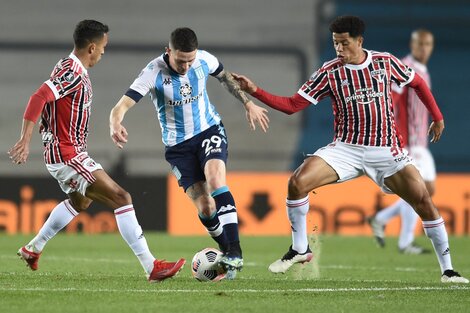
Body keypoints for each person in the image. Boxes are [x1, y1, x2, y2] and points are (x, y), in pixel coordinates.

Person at [233, 16, 468, 283]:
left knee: (424, 202)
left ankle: (448, 271)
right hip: (345, 149)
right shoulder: (329, 72)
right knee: (297, 183)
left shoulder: (384, 62)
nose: (339, 49)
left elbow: (417, 83)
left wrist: (437, 116)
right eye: (335, 44)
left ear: (359, 41)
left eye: (345, 43)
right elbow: (292, 105)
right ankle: (300, 248)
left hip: (385, 150)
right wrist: (255, 90)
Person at [8, 20, 185, 283]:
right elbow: (39, 97)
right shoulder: (73, 72)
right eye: (103, 48)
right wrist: (25, 139)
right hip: (67, 154)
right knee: (121, 197)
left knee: (81, 202)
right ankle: (152, 267)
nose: (103, 53)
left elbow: (53, 104)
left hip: (67, 151)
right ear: (91, 47)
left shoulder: (66, 65)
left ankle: (32, 249)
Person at [109, 27, 269, 280]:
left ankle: (235, 251)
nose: (185, 66)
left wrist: (248, 103)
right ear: (168, 51)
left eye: (190, 61)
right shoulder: (153, 72)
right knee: (206, 208)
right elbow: (123, 104)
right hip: (178, 148)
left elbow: (225, 77)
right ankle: (225, 249)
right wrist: (115, 123)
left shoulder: (204, 59)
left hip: (209, 130)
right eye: (180, 61)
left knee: (216, 179)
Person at [368, 29, 436, 254]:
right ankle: (405, 242)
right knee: (416, 191)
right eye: (420, 44)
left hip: (420, 142)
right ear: (412, 44)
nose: (424, 48)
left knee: (428, 189)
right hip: (407, 141)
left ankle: (380, 218)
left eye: (428, 44)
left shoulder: (423, 70)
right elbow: (392, 97)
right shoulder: (404, 67)